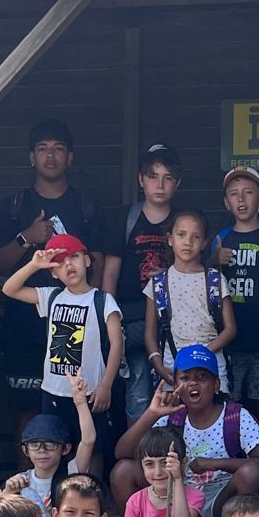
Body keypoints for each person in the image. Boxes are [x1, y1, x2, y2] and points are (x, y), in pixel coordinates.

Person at [0, 119, 102, 430]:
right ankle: (28, 480)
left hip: (72, 319)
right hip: (24, 320)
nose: (50, 156)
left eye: (58, 149)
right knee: (27, 415)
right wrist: (27, 236)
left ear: (70, 157)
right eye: (42, 149)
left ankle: (71, 481)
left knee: (69, 404)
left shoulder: (85, 205)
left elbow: (100, 263)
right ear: (31, 157)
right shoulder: (14, 206)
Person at [1, 234, 123, 466]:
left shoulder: (103, 300)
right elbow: (9, 289)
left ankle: (91, 497)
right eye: (61, 261)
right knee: (55, 447)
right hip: (54, 391)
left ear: (87, 261)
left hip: (90, 391)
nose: (69, 264)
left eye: (75, 257)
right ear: (53, 271)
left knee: (91, 448)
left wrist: (106, 385)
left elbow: (117, 343)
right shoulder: (52, 296)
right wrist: (34, 264)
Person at [112, 350, 259, 517]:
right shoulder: (171, 417)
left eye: (202, 377)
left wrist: (215, 463)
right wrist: (152, 413)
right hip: (178, 498)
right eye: (185, 378)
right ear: (175, 386)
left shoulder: (235, 416)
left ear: (217, 385)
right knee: (122, 471)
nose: (193, 383)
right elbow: (122, 453)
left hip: (223, 502)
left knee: (251, 473)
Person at [102, 143, 182, 421]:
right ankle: (138, 456)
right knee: (137, 393)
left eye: (167, 177)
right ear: (140, 179)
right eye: (152, 176)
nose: (159, 184)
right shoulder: (126, 218)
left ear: (177, 183)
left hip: (174, 323)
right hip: (131, 320)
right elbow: (111, 271)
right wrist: (107, 314)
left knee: (175, 390)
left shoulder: (183, 223)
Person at [215, 166, 259, 445]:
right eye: (234, 194)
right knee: (231, 408)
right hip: (230, 343)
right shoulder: (220, 238)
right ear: (226, 201)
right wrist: (212, 260)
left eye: (249, 193)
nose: (241, 199)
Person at [145, 209, 237, 387]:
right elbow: (150, 332)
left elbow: (230, 328)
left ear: (204, 243)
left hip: (211, 361)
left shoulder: (215, 280)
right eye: (181, 235)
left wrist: (201, 354)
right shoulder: (158, 284)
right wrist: (158, 364)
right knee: (175, 413)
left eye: (195, 237)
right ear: (170, 239)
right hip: (173, 364)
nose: (188, 242)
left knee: (215, 412)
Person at [4, 393, 96, 517]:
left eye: (50, 444)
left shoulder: (72, 473)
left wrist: (80, 402)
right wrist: (8, 493)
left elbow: (88, 440)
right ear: (25, 450)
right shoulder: (20, 481)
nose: (42, 450)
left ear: (65, 448)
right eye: (35, 444)